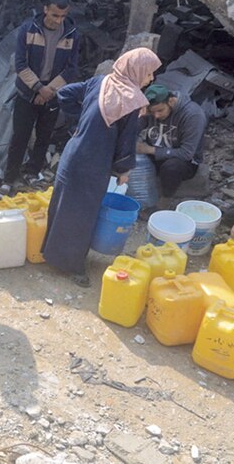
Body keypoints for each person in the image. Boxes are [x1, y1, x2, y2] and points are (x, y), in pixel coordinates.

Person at [41, 48, 162, 287]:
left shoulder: (101, 81)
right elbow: (126, 140)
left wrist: (83, 118)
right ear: (136, 70)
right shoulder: (133, 101)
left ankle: (51, 253)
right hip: (93, 163)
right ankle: (73, 267)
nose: (150, 79)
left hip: (72, 153)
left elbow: (64, 94)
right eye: (149, 73)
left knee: (62, 205)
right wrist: (124, 171)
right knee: (83, 214)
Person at [3, 0, 81, 195]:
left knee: (44, 135)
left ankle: (32, 171)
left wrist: (48, 91)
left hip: (53, 93)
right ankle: (9, 177)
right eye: (55, 15)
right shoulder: (28, 30)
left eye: (63, 16)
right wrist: (39, 88)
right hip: (27, 92)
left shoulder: (72, 34)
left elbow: (71, 69)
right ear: (45, 9)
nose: (59, 20)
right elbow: (20, 64)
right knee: (20, 136)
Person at [136, 84, 207, 197]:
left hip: (182, 160)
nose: (156, 116)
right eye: (152, 112)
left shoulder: (193, 115)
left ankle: (165, 199)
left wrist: (149, 150)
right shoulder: (152, 110)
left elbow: (186, 153)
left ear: (171, 101)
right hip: (156, 152)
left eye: (160, 110)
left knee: (171, 168)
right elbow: (135, 127)